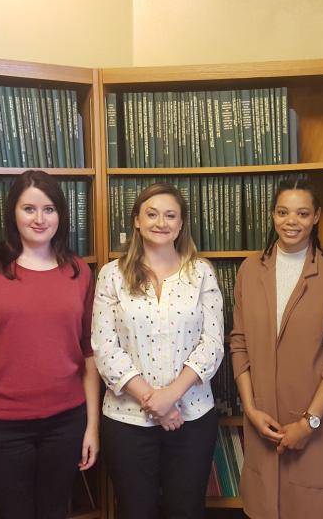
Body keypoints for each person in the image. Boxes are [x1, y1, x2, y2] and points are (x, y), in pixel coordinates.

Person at [0, 170, 99, 519]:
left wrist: (91, 426)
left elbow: (90, 355)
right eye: (29, 208)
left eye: (49, 209)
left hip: (65, 424)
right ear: (12, 213)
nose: (39, 218)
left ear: (61, 215)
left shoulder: (79, 271)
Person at [92, 182, 224, 519]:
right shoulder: (111, 275)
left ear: (181, 224)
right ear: (137, 220)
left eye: (170, 216)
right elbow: (105, 348)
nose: (160, 222)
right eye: (152, 214)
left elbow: (212, 344)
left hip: (192, 417)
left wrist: (172, 396)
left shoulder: (201, 273)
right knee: (135, 511)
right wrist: (155, 402)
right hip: (126, 420)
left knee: (187, 510)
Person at [230, 176, 323, 519]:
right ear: (273, 215)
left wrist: (308, 423)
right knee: (263, 508)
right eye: (283, 212)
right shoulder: (249, 270)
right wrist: (250, 409)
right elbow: (239, 343)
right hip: (262, 423)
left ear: (316, 217)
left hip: (314, 426)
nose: (291, 222)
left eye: (301, 214)